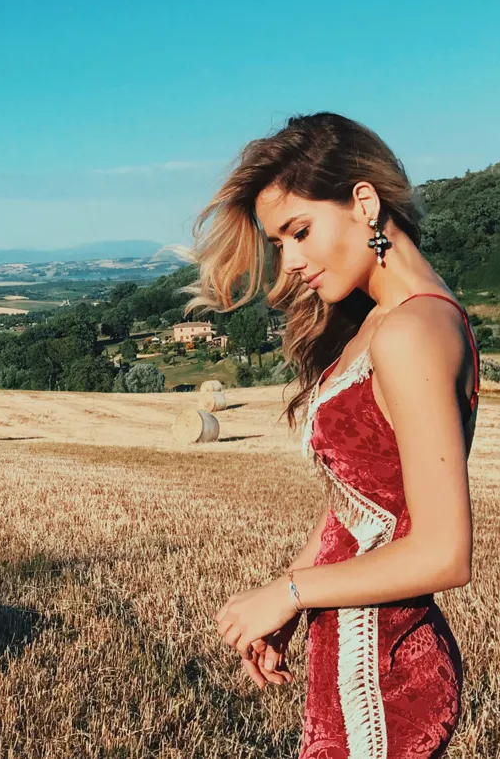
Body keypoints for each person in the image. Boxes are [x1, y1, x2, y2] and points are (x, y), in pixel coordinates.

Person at [182, 112, 480, 759]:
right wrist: (292, 598)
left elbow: (443, 552)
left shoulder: (413, 332)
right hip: (352, 659)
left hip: (383, 684)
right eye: (278, 244)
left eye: (299, 232)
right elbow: (360, 501)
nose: (289, 263)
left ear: (364, 203)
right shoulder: (385, 322)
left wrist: (290, 591)